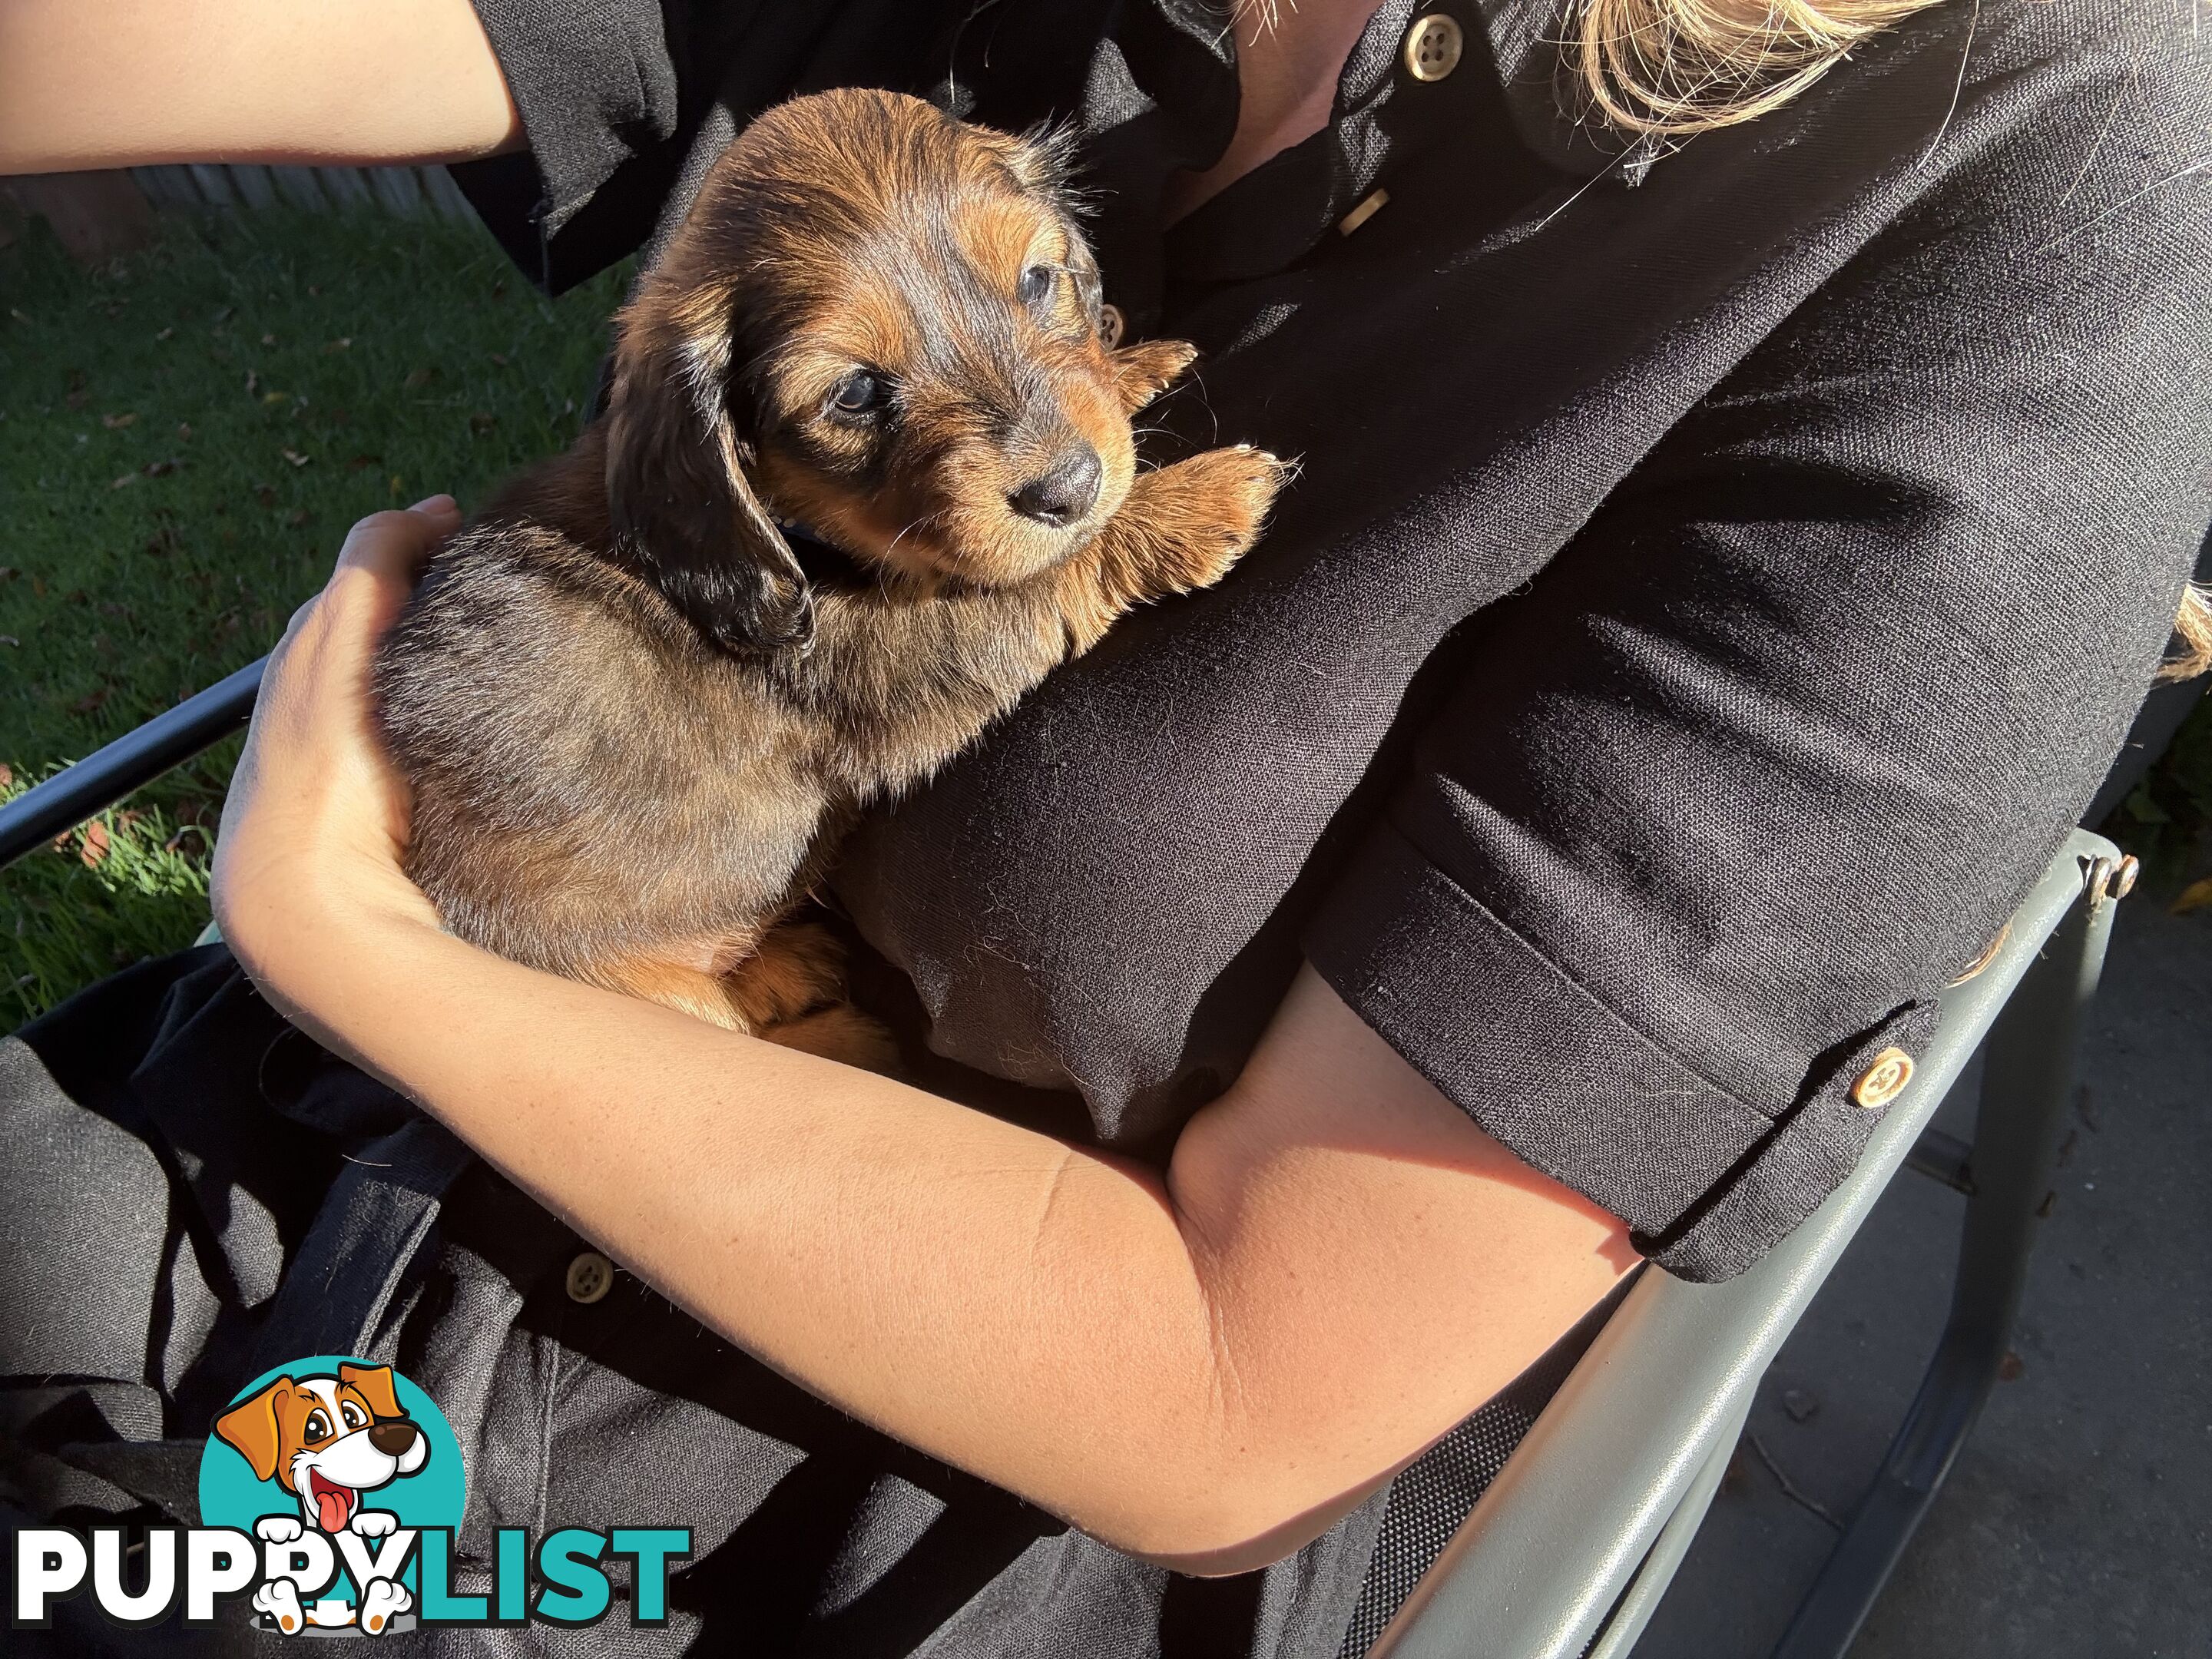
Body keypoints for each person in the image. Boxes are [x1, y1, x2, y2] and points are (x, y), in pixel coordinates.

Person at [2, 0, 2207, 1651]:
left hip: (796, 1506)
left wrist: (351, 939)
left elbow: (1243, 1394)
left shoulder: (2058, 175)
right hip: (263, 1176)